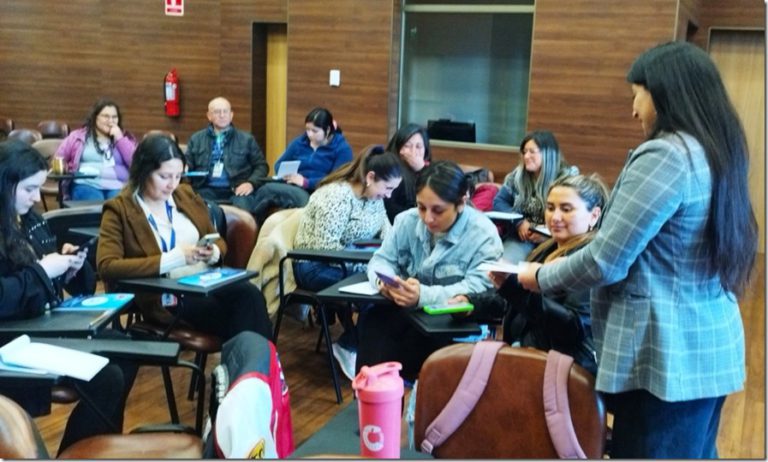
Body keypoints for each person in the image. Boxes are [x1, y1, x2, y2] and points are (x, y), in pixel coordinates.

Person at [517, 41, 758, 459]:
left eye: (637, 95)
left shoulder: (666, 154)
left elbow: (605, 260)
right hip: (708, 348)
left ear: (664, 94)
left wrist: (539, 276)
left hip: (665, 358)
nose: (633, 110)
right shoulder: (717, 150)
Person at [0, 140, 137, 455]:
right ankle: (80, 453)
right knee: (108, 376)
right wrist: (43, 271)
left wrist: (69, 268)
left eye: (39, 188)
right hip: (12, 340)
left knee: (126, 350)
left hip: (42, 326)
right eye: (29, 189)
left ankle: (92, 450)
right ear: (4, 184)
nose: (38, 197)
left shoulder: (30, 220)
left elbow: (52, 282)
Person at [97, 134, 273, 341]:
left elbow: (217, 240)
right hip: (167, 293)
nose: (172, 184)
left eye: (178, 176)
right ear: (143, 172)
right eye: (164, 176)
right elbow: (107, 266)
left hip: (206, 280)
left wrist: (213, 252)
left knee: (250, 294)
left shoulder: (185, 195)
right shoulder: (120, 209)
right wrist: (172, 259)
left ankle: (255, 361)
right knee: (238, 313)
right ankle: (253, 360)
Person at [358, 161, 503, 381]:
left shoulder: (483, 234)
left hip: (452, 322)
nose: (427, 218)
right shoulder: (406, 221)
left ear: (461, 203)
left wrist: (422, 295)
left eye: (438, 210)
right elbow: (381, 260)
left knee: (423, 349)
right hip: (406, 313)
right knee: (373, 321)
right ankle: (372, 394)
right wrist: (385, 283)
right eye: (421, 207)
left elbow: (477, 287)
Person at [454, 174, 609, 376]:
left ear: (594, 216)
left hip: (564, 371)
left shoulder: (591, 262)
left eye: (566, 209)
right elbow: (516, 304)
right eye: (550, 208)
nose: (555, 217)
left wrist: (513, 288)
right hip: (529, 356)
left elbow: (572, 328)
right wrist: (471, 304)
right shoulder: (547, 249)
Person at [293, 145, 402, 380]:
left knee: (391, 288)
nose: (389, 195)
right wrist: (366, 268)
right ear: (370, 178)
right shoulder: (336, 196)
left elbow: (388, 234)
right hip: (314, 266)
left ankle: (364, 350)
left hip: (348, 264)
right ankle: (349, 346)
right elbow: (324, 248)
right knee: (377, 293)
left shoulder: (373, 198)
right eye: (388, 188)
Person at [249, 107, 353, 223]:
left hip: (319, 191)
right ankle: (254, 225)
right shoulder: (300, 142)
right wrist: (287, 173)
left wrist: (306, 182)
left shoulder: (342, 148)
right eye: (307, 129)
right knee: (265, 189)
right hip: (293, 184)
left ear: (328, 130)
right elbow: (278, 164)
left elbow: (337, 179)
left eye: (315, 131)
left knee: (302, 200)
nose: (310, 134)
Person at [492, 130, 577, 263]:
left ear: (548, 154)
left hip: (558, 240)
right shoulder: (517, 176)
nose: (526, 156)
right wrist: (519, 222)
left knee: (553, 270)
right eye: (524, 152)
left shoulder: (568, 179)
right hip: (523, 238)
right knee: (504, 267)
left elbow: (574, 218)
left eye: (532, 151)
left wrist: (549, 235)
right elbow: (499, 202)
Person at [185, 97, 269, 214]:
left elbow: (261, 166)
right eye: (217, 112)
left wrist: (251, 183)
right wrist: (184, 167)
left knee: (243, 216)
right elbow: (187, 164)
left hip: (237, 188)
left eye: (225, 111)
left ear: (231, 115)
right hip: (205, 188)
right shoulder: (196, 139)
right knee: (197, 212)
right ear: (209, 116)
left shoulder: (246, 139)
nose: (222, 115)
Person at [55, 98, 138, 201]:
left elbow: (136, 163)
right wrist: (66, 168)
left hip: (118, 185)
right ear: (95, 117)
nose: (111, 121)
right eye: (106, 116)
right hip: (86, 183)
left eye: (114, 117)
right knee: (95, 204)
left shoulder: (125, 138)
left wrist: (120, 138)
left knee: (117, 206)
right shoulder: (77, 137)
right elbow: (58, 158)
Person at [383, 123, 431, 222]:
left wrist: (421, 169)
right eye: (407, 146)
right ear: (398, 148)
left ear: (425, 150)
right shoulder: (390, 169)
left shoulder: (430, 169)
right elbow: (389, 210)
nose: (413, 152)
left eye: (419, 147)